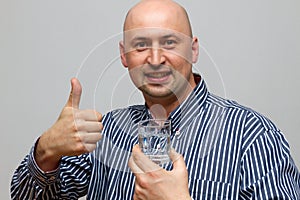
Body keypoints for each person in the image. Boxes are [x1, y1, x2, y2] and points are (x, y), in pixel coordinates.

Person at [11, 0, 300, 199]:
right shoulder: (106, 131)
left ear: (194, 50)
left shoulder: (252, 135)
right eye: (141, 45)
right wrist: (45, 152)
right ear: (124, 56)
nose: (156, 58)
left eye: (170, 42)